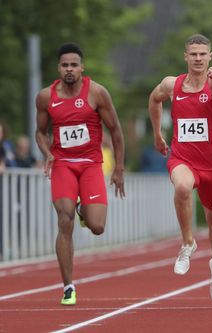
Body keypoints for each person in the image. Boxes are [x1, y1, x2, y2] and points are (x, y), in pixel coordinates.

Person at [148, 34, 212, 302]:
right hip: (182, 159)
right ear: (185, 57)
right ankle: (188, 243)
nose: (198, 58)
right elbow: (154, 99)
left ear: (210, 56)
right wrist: (157, 133)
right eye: (193, 54)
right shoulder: (172, 84)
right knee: (181, 186)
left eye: (203, 54)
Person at [35, 42, 125, 306]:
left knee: (97, 227)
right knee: (64, 220)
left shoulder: (96, 93)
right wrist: (47, 153)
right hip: (62, 164)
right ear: (58, 68)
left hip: (90, 165)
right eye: (65, 65)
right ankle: (68, 287)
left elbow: (117, 131)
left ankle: (84, 210)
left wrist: (119, 168)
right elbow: (40, 132)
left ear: (82, 67)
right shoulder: (45, 97)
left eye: (74, 65)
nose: (70, 69)